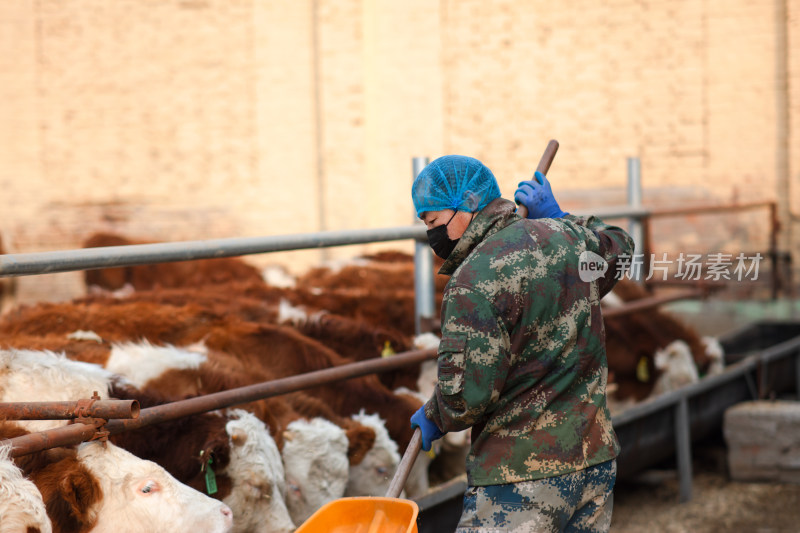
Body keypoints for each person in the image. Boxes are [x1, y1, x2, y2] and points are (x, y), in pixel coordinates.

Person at [409, 154, 633, 532]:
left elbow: (465, 399)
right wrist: (562, 218)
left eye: (433, 221)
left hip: (519, 479)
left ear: (469, 204)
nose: (431, 234)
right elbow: (621, 247)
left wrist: (435, 415)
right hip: (593, 461)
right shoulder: (569, 240)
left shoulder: (472, 281)